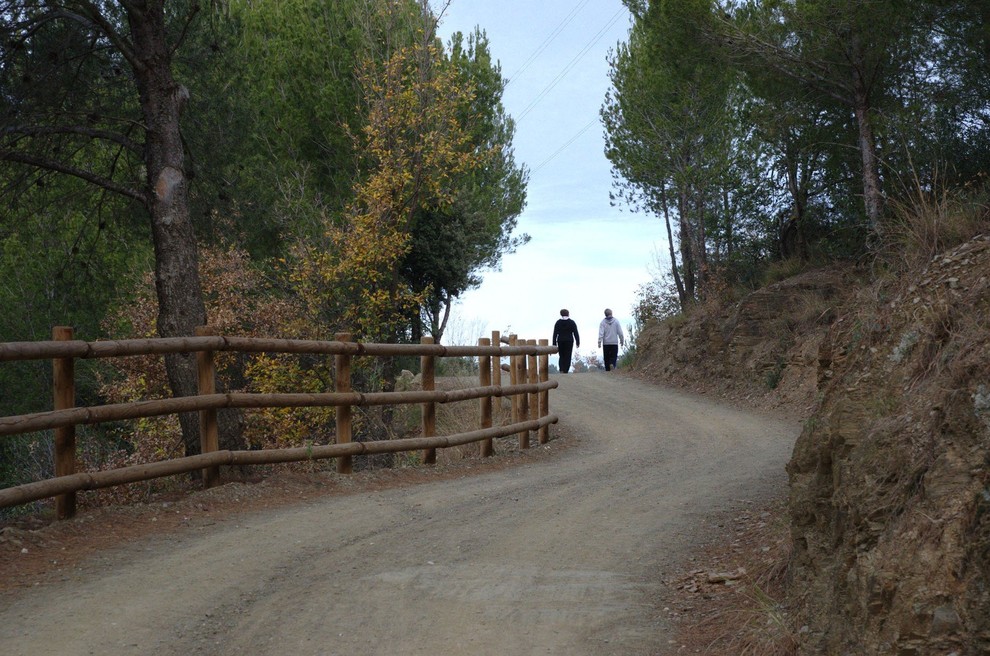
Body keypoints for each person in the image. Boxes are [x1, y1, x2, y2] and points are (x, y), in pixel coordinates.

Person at [552, 309, 580, 373]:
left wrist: (554, 343)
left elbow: (555, 333)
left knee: (561, 355)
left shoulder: (558, 322)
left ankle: (561, 368)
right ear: (568, 314)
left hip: (560, 340)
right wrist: (578, 342)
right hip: (569, 340)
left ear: (561, 314)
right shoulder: (572, 322)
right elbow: (576, 333)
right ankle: (566, 369)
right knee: (568, 355)